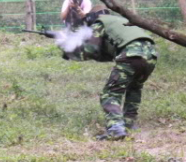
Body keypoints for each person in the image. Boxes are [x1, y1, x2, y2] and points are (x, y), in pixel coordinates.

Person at [63, 8, 157, 140]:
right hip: (151, 54)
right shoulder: (119, 21)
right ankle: (129, 123)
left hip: (131, 54)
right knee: (134, 87)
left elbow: (91, 49)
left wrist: (71, 52)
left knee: (111, 93)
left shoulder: (99, 23)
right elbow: (108, 53)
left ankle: (116, 128)